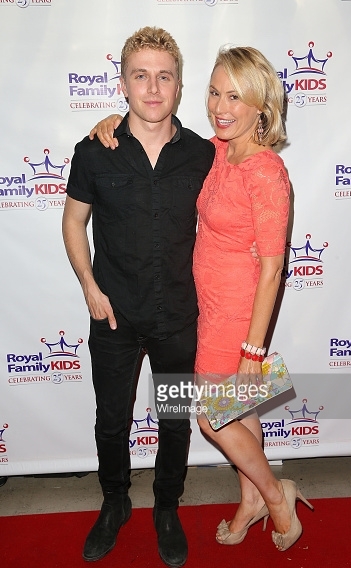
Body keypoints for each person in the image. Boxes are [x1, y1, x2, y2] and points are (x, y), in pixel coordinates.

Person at [91, 45, 313, 553]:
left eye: (236, 96)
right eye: (215, 92)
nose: (221, 106)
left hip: (235, 317)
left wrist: (253, 351)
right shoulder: (214, 150)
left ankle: (278, 495)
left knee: (212, 417)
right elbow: (154, 136)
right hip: (204, 307)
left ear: (263, 106)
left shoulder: (267, 173)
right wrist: (112, 122)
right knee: (241, 414)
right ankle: (251, 499)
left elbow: (274, 266)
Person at [62, 27, 215, 568]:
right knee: (111, 420)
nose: (153, 87)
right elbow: (74, 222)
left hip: (177, 315)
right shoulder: (94, 150)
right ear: (122, 83)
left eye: (164, 76)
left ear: (178, 84)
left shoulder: (204, 154)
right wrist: (88, 285)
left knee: (174, 420)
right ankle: (115, 502)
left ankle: (166, 507)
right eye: (141, 75)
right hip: (113, 316)